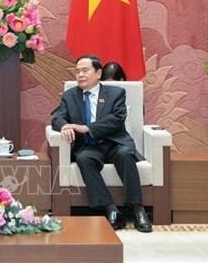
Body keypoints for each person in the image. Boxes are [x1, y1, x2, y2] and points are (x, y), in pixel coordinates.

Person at [51, 54, 152, 232]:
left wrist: (87, 128)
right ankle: (110, 208)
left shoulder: (115, 93)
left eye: (85, 70)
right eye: (77, 71)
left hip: (114, 142)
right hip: (90, 146)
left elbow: (117, 120)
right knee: (83, 158)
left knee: (125, 154)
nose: (80, 75)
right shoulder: (70, 95)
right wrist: (65, 125)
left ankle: (137, 209)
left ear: (98, 73)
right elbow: (57, 117)